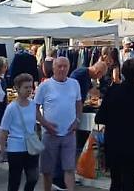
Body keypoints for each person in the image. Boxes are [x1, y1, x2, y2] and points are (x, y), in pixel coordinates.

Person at [97, 58, 134, 191]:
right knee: (129, 183)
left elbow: (100, 118)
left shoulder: (112, 92)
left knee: (115, 181)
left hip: (114, 143)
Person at [36, 56, 82, 191]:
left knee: (69, 168)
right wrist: (45, 124)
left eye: (65, 66)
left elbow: (79, 104)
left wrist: (77, 120)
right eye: (59, 66)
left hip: (69, 133)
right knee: (47, 170)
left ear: (69, 68)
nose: (62, 69)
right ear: (53, 68)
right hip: (50, 134)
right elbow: (35, 109)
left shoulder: (74, 84)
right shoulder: (44, 86)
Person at [0, 74, 40, 191]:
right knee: (15, 180)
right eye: (25, 87)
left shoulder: (33, 104)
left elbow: (38, 120)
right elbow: (3, 130)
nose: (29, 90)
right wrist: (2, 149)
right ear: (17, 89)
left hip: (31, 147)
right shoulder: (11, 108)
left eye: (30, 87)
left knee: (33, 177)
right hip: (15, 148)